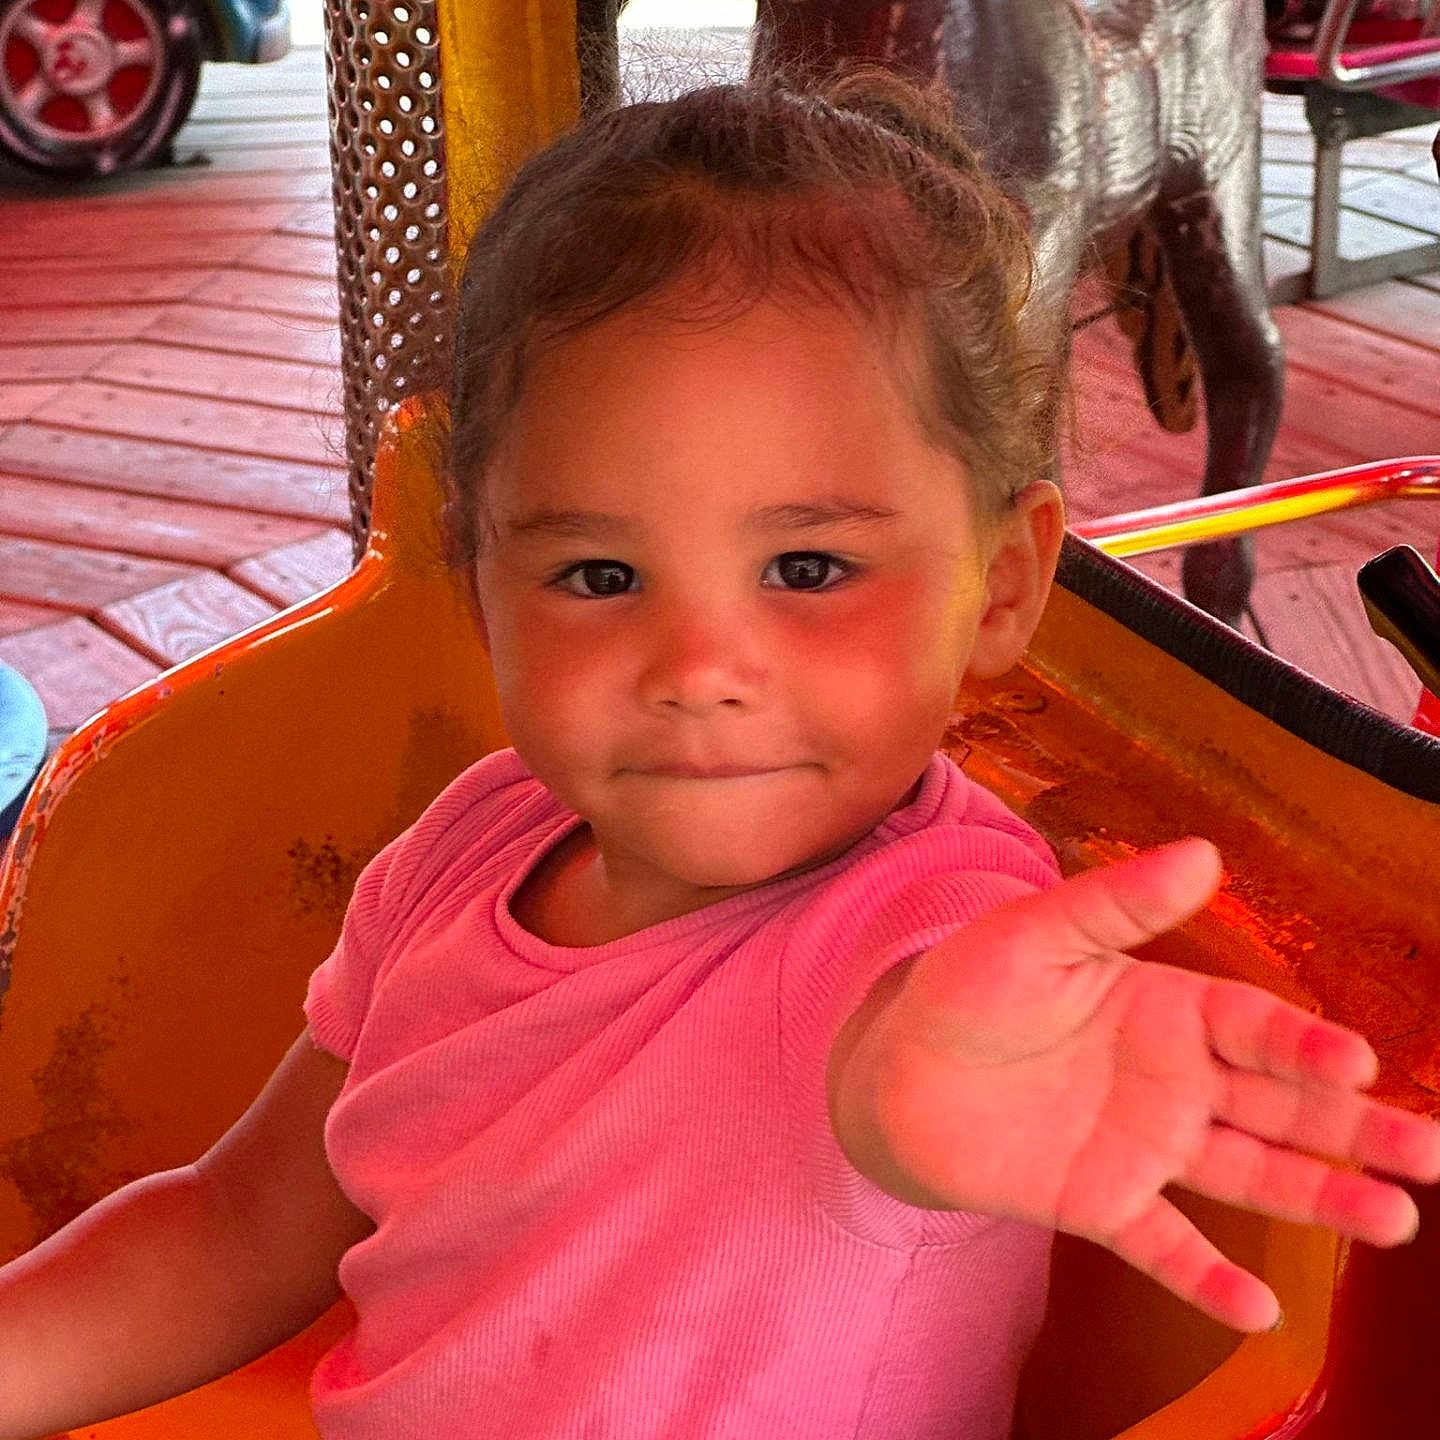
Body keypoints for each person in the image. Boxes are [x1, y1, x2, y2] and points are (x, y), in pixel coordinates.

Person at [2, 70, 1438, 1440]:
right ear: (477, 572)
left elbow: (904, 1052)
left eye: (808, 567)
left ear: (1000, 587)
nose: (697, 672)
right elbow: (236, 1230)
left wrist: (928, 1078)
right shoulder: (457, 856)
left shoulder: (929, 926)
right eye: (599, 577)